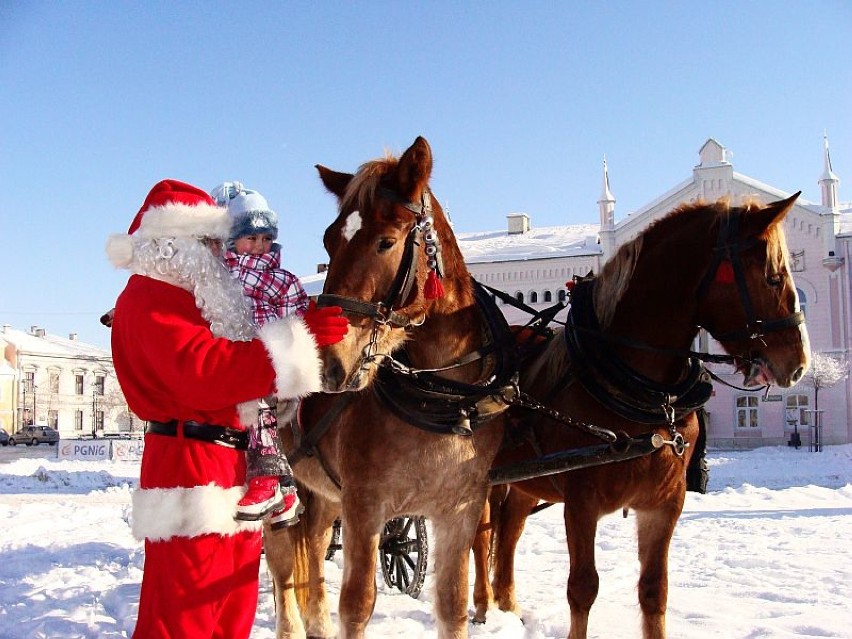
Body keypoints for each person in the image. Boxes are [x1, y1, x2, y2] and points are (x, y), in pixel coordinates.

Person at [106, 179, 347, 639]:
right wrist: (299, 337)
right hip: (190, 467)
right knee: (184, 617)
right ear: (171, 244)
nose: (219, 255)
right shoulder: (149, 298)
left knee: (228, 616)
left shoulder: (193, 302)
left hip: (229, 464)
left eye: (218, 241)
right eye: (207, 242)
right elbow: (208, 374)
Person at [210, 181, 308, 529]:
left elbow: (298, 315)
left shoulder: (279, 278)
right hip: (232, 355)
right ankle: (286, 489)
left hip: (268, 359)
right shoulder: (218, 273)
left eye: (266, 238)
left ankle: (266, 479)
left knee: (257, 406)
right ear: (232, 240)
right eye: (251, 238)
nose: (259, 246)